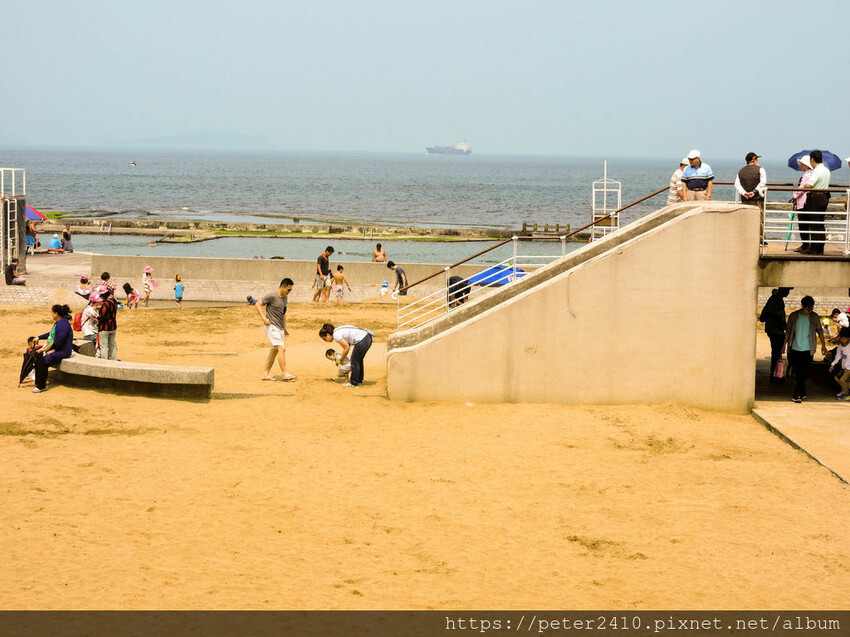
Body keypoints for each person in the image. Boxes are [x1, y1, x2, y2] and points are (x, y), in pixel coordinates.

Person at [783, 295, 827, 403]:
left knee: (804, 372)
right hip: (795, 348)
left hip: (808, 349)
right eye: (808, 308)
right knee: (798, 372)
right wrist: (784, 345)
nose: (810, 310)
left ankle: (799, 393)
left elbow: (820, 332)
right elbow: (788, 332)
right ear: (802, 306)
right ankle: (799, 393)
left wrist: (823, 345)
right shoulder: (794, 316)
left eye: (812, 307)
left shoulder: (814, 317)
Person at [256, 278, 296, 381]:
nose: (289, 292)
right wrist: (263, 318)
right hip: (271, 326)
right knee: (282, 349)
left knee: (274, 351)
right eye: (288, 289)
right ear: (282, 287)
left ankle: (265, 373)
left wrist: (285, 327)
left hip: (279, 327)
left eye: (290, 290)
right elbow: (258, 304)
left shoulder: (285, 298)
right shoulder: (272, 296)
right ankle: (285, 373)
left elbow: (283, 314)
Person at [31, 304, 74, 393]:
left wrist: (54, 349)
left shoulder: (63, 323)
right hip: (59, 349)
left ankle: (41, 386)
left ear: (56, 313)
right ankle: (38, 382)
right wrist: (39, 337)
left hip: (63, 351)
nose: (51, 313)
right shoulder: (60, 322)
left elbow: (60, 339)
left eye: (52, 312)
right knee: (38, 357)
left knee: (43, 361)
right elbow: (51, 334)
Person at [319, 323, 373, 387]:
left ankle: (353, 383)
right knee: (358, 360)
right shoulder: (337, 330)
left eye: (324, 339)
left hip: (362, 340)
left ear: (328, 335)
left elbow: (346, 348)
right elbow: (347, 346)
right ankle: (359, 380)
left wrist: (341, 359)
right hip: (367, 337)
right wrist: (343, 355)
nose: (325, 341)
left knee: (354, 361)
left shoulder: (336, 335)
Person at [800, 150, 831, 255]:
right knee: (820, 223)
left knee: (814, 223)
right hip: (824, 197)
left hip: (815, 198)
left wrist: (804, 185)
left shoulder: (817, 171)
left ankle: (814, 248)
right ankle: (820, 247)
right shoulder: (826, 170)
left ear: (812, 159)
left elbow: (809, 185)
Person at [759, 287, 792, 381]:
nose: (788, 293)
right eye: (788, 291)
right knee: (776, 352)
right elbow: (772, 315)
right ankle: (774, 374)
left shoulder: (777, 299)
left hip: (776, 330)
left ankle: (776, 374)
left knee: (777, 352)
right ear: (783, 291)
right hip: (775, 330)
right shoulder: (775, 300)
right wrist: (783, 325)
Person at [791, 156, 813, 250]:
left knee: (803, 224)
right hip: (808, 202)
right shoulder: (811, 173)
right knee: (807, 224)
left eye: (801, 165)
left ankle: (805, 245)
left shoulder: (807, 175)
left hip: (803, 202)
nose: (800, 167)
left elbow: (801, 189)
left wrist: (794, 196)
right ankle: (807, 245)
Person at [96, 290, 119, 360]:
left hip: (104, 328)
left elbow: (102, 316)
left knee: (104, 347)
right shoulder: (114, 301)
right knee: (113, 345)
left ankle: (104, 362)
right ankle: (114, 360)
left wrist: (97, 317)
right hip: (113, 326)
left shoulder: (106, 304)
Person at [829, 327, 850, 400]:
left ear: (848, 338)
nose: (842, 340)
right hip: (845, 367)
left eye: (844, 338)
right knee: (842, 380)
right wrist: (832, 364)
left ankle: (846, 393)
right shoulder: (840, 347)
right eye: (841, 338)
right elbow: (838, 357)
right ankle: (845, 391)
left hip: (849, 368)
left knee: (842, 380)